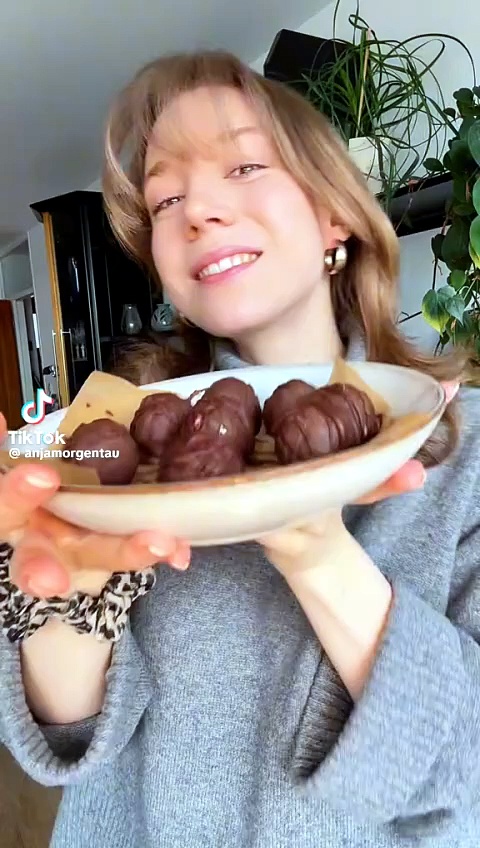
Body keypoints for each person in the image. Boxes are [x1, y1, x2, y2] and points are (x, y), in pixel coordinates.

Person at [0, 50, 479, 848]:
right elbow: (70, 747)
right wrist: (67, 600)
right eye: (166, 199)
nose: (198, 212)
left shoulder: (466, 450)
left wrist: (317, 550)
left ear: (334, 217)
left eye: (246, 165)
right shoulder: (127, 457)